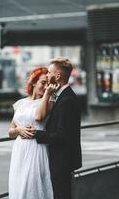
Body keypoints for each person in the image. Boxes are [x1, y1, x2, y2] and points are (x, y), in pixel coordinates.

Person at [33, 57, 82, 199]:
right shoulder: (61, 96)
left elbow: (63, 135)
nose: (47, 76)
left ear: (58, 76)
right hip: (62, 160)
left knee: (61, 195)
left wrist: (36, 134)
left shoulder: (66, 100)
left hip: (62, 161)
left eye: (49, 73)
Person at [8, 66, 58, 199]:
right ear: (34, 82)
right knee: (18, 185)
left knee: (31, 187)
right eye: (43, 83)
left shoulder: (49, 101)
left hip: (36, 148)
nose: (45, 86)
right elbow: (10, 132)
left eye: (47, 83)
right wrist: (18, 130)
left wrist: (47, 94)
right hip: (20, 149)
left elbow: (38, 117)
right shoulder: (20, 103)